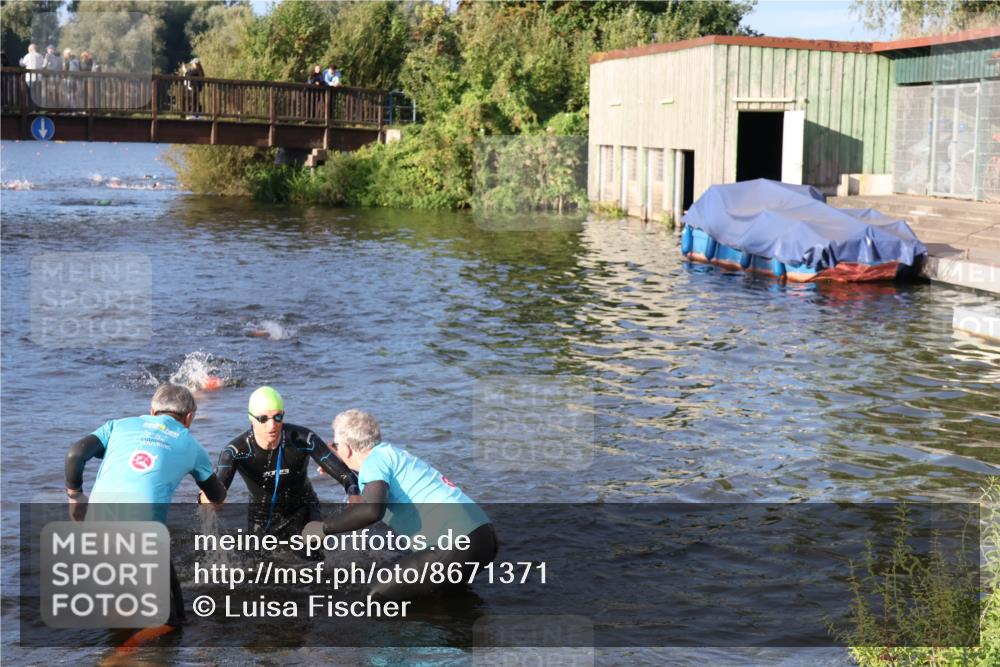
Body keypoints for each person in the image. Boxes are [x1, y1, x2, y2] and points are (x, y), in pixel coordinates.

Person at [65, 383, 227, 632]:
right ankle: (119, 655)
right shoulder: (192, 446)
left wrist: (75, 497)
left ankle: (122, 640)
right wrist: (211, 501)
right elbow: (217, 495)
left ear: (152, 411)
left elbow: (75, 454)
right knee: (169, 624)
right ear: (189, 418)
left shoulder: (117, 426)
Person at [303, 409, 497, 601]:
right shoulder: (390, 454)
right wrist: (337, 465)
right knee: (444, 600)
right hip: (484, 537)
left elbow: (372, 511)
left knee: (376, 598)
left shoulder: (374, 463)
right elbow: (362, 499)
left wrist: (324, 528)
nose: (335, 449)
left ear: (346, 448)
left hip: (455, 544)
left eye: (336, 445)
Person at [202, 387, 358, 542]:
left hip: (304, 511)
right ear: (251, 418)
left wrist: (354, 493)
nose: (272, 425)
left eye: (277, 417)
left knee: (315, 563)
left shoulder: (302, 439)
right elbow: (215, 493)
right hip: (261, 518)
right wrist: (209, 500)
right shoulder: (236, 451)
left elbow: (346, 475)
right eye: (263, 419)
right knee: (258, 566)